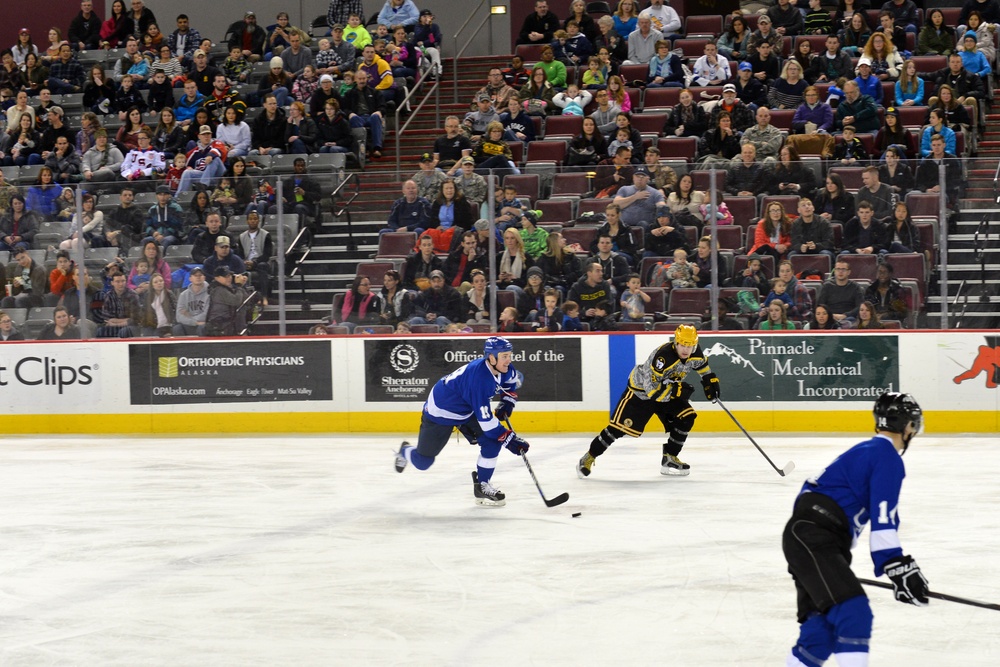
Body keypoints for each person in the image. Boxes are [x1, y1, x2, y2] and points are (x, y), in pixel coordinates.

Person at [783, 392, 927, 667]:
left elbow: (809, 492)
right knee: (854, 614)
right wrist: (895, 564)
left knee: (820, 633)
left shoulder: (864, 450)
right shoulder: (887, 457)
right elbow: (883, 516)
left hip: (805, 537)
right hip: (816, 539)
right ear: (906, 425)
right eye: (914, 424)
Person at [395, 336, 528, 507]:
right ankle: (405, 450)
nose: (508, 360)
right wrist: (510, 440)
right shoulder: (479, 379)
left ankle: (482, 485)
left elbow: (511, 383)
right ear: (491, 357)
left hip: (466, 408)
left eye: (510, 355)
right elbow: (487, 423)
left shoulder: (505, 368)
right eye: (504, 356)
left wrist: (507, 402)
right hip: (441, 413)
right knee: (423, 462)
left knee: (492, 441)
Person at [578, 323, 719, 478]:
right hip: (641, 393)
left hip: (667, 391)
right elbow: (652, 391)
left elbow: (702, 366)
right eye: (682, 345)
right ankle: (589, 457)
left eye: (690, 345)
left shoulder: (694, 352)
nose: (686, 349)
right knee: (617, 430)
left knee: (687, 417)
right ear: (676, 342)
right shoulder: (663, 358)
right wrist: (677, 391)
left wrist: (709, 380)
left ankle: (669, 458)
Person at [204, 266, 250, 336]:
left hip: (229, 326)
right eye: (226, 276)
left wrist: (242, 285)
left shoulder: (229, 288)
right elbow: (235, 301)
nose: (229, 278)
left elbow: (245, 298)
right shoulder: (218, 290)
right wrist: (239, 285)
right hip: (220, 328)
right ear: (217, 278)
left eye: (230, 276)